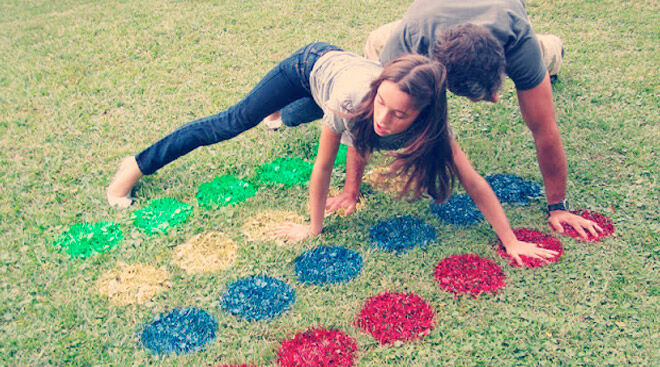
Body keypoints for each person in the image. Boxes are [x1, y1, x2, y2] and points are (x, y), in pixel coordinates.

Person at [106, 42, 557, 263]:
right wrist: (313, 227)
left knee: (307, 117)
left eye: (400, 115)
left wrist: (512, 239)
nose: (385, 119)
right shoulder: (354, 104)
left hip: (333, 92)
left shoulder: (434, 129)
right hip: (310, 66)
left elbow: (475, 183)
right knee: (235, 120)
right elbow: (324, 165)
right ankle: (136, 164)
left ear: (422, 115)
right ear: (378, 88)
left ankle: (284, 115)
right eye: (383, 103)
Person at [270, 0, 602, 240]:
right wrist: (351, 189)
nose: (495, 101)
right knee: (374, 67)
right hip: (425, 23)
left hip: (503, 17)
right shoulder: (412, 40)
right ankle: (291, 110)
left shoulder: (518, 42)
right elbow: (368, 119)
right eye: (482, 97)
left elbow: (544, 130)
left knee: (544, 58)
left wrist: (557, 205)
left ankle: (553, 50)